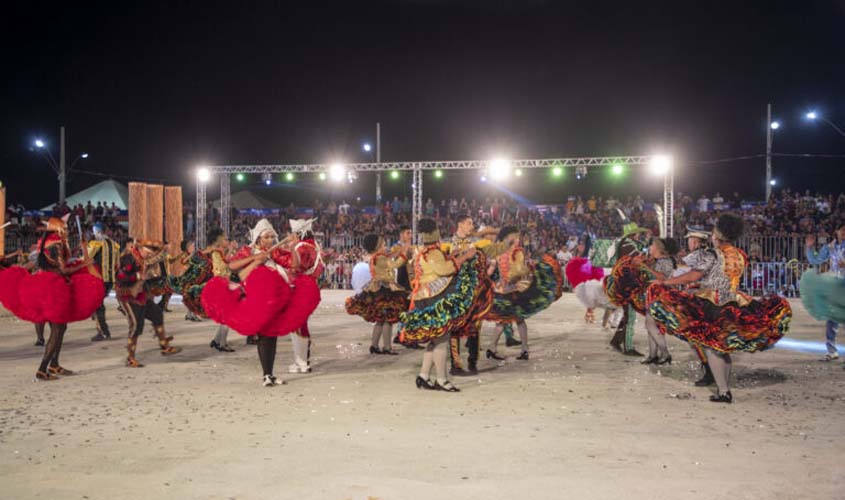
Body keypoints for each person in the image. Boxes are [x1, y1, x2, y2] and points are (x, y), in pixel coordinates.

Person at [648, 214, 792, 403]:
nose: (712, 235)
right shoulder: (740, 254)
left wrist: (667, 282)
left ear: (719, 234)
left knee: (712, 347)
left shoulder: (712, 254)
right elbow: (723, 277)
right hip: (734, 301)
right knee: (722, 348)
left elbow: (692, 276)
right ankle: (724, 388)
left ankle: (723, 391)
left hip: (713, 303)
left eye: (714, 231)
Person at [0, 215, 104, 380]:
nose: (67, 230)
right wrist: (83, 264)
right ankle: (42, 369)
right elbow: (63, 269)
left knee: (61, 328)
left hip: (46, 285)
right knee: (57, 329)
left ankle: (54, 364)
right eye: (65, 228)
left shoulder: (46, 241)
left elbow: (57, 262)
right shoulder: (55, 244)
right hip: (53, 288)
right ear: (59, 229)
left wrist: (80, 249)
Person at [399, 218, 479, 392]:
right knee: (441, 340)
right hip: (434, 299)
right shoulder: (433, 252)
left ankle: (424, 376)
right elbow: (445, 270)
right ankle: (442, 380)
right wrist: (465, 256)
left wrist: (453, 256)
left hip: (424, 298)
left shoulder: (423, 251)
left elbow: (439, 266)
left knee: (434, 340)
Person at [484, 226, 564, 361]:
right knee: (512, 321)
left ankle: (499, 349)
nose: (518, 239)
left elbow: (490, 272)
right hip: (514, 292)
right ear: (509, 238)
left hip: (503, 291)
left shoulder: (498, 253)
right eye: (516, 237)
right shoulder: (517, 252)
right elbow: (518, 272)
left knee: (506, 322)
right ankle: (519, 350)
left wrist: (486, 283)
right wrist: (531, 268)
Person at [445, 214, 509, 376]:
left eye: (472, 223)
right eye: (469, 223)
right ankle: (455, 365)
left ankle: (472, 362)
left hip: (474, 292)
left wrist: (508, 241)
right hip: (457, 293)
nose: (471, 226)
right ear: (459, 224)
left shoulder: (475, 243)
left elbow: (495, 249)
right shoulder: (450, 244)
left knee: (474, 327)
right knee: (456, 328)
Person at [115, 240, 182, 367]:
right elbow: (120, 276)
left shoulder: (142, 258)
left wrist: (163, 251)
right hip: (127, 296)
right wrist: (138, 276)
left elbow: (154, 260)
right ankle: (130, 358)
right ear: (140, 248)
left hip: (141, 295)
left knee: (157, 314)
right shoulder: (128, 258)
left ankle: (164, 346)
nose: (149, 254)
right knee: (136, 325)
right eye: (148, 251)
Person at [345, 234, 410, 355]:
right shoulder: (380, 257)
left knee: (380, 320)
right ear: (378, 246)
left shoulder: (376, 256)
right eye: (384, 244)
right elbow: (394, 264)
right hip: (384, 289)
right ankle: (387, 347)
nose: (386, 247)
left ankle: (374, 345)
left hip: (376, 289)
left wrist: (399, 250)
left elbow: (389, 256)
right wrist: (404, 252)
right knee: (387, 320)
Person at [802, 224, 845, 362]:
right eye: (842, 230)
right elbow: (816, 260)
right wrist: (809, 247)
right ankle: (831, 351)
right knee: (832, 319)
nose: (844, 233)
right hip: (836, 285)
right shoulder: (830, 247)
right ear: (836, 231)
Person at [607, 221, 649, 356]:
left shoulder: (623, 243)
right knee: (630, 316)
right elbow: (638, 261)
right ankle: (628, 347)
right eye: (637, 233)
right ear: (633, 234)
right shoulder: (628, 244)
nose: (639, 235)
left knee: (627, 315)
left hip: (623, 283)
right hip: (628, 285)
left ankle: (616, 340)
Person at [89, 223, 121, 342]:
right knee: (98, 304)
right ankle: (102, 331)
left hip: (99, 279)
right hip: (110, 280)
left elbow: (85, 259)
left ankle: (103, 332)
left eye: (94, 232)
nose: (93, 234)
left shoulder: (96, 244)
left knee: (98, 306)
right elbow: (118, 264)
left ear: (98, 232)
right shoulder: (115, 245)